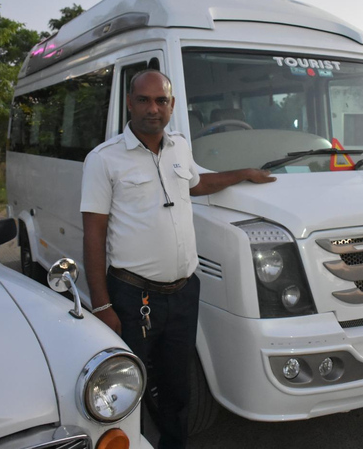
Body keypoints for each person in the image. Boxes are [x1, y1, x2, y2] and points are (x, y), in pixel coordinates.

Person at [80, 69, 275, 449]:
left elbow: (197, 183)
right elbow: (93, 233)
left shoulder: (179, 147)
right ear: (129, 103)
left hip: (184, 292)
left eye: (161, 101)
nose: (153, 109)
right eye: (144, 100)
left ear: (171, 106)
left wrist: (244, 174)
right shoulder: (103, 160)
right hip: (133, 297)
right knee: (125, 387)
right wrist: (102, 304)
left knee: (177, 386)